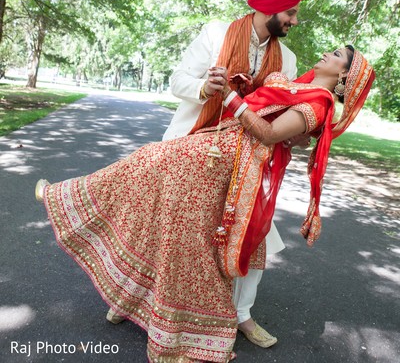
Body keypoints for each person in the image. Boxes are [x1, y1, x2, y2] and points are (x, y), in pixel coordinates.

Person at [35, 45, 375, 363]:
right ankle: (132, 296)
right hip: (217, 146)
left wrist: (229, 97)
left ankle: (67, 196)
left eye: (335, 56)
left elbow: (268, 135)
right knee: (158, 206)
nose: (325, 54)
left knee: (161, 191)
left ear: (344, 77)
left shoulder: (318, 102)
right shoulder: (298, 86)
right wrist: (241, 91)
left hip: (230, 164)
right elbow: (268, 116)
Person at [162, 0, 310, 347]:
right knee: (172, 227)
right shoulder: (217, 34)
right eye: (291, 13)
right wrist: (204, 88)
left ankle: (241, 314)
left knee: (256, 233)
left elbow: (278, 114)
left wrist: (295, 130)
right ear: (269, 9)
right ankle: (135, 294)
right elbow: (177, 80)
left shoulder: (287, 60)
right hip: (195, 141)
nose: (294, 21)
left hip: (245, 156)